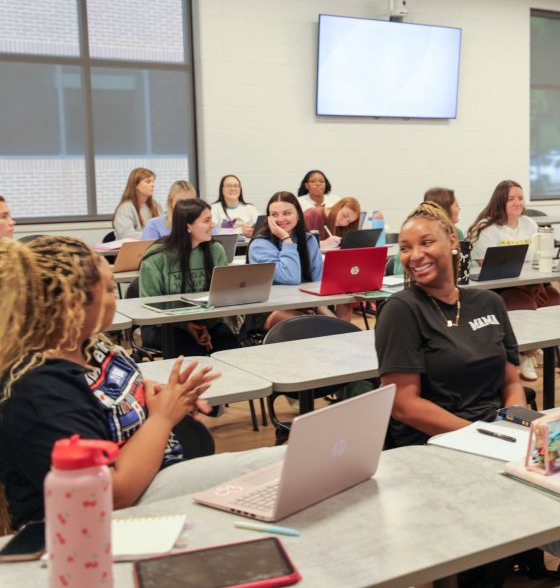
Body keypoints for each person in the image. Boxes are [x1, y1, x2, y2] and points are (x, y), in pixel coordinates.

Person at [376, 202, 560, 588]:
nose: (415, 255)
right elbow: (403, 405)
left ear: (452, 241)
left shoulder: (487, 302)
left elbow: (510, 380)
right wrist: (479, 435)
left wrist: (514, 420)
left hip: (497, 433)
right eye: (405, 247)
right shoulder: (401, 311)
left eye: (426, 242)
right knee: (544, 502)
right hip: (437, 445)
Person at [0, 236, 282, 529]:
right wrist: (162, 417)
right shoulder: (37, 392)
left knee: (283, 469)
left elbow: (112, 404)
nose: (116, 298)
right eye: (109, 289)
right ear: (73, 305)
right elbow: (111, 495)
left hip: (153, 480)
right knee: (279, 467)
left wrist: (165, 399)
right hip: (102, 522)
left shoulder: (92, 347)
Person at [468, 180, 560, 380]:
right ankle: (524, 354)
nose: (517, 202)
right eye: (511, 199)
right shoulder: (486, 228)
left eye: (520, 198)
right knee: (524, 303)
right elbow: (488, 266)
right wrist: (528, 287)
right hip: (499, 287)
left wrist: (537, 285)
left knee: (553, 296)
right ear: (500, 201)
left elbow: (536, 259)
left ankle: (537, 346)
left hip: (529, 283)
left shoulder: (529, 223)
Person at [139, 199, 242, 356]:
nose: (212, 225)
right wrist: (186, 325)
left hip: (207, 322)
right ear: (188, 226)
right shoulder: (157, 256)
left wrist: (204, 326)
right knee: (194, 353)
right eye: (206, 221)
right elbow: (150, 305)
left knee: (232, 351)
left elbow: (222, 295)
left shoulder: (216, 250)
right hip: (164, 326)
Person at [249, 191, 337, 328]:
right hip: (267, 308)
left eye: (287, 213)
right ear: (268, 218)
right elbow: (291, 277)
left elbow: (317, 281)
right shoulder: (260, 244)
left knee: (339, 327)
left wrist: (318, 307)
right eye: (274, 215)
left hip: (303, 303)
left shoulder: (309, 240)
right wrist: (286, 240)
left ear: (298, 215)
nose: (280, 219)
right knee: (312, 326)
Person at [113, 167, 161, 240]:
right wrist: (154, 235)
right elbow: (127, 235)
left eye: (153, 181)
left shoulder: (156, 205)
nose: (152, 185)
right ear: (136, 185)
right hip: (132, 247)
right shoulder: (125, 208)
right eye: (148, 182)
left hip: (153, 246)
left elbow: (163, 228)